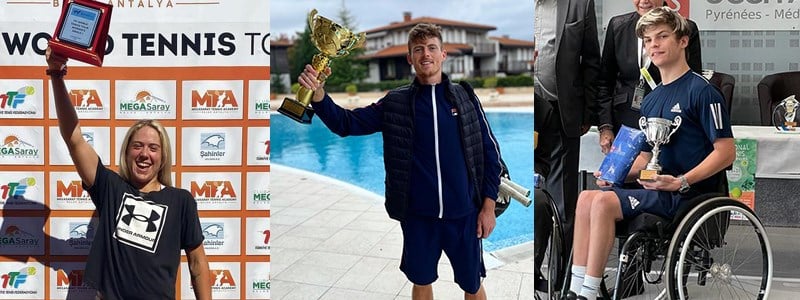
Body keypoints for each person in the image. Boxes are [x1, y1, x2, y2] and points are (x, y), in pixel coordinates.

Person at [297, 23, 502, 300]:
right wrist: (319, 96)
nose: (425, 54)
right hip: (418, 216)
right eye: (418, 49)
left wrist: (488, 206)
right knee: (421, 280)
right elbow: (347, 123)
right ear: (410, 58)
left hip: (464, 214)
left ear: (443, 54)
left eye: (431, 48)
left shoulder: (465, 98)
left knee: (472, 284)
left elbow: (491, 154)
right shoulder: (395, 103)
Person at [566, 7, 735, 300]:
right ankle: (574, 288)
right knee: (586, 197)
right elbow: (645, 159)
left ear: (683, 41)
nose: (653, 45)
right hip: (658, 189)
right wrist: (613, 173)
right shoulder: (652, 98)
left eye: (662, 37)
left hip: (687, 194)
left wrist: (681, 181)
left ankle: (589, 293)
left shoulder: (703, 92)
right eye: (648, 40)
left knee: (604, 204)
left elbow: (726, 152)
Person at [46, 47, 211, 300]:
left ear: (162, 156)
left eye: (153, 148)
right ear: (127, 152)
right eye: (138, 146)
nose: (145, 154)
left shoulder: (181, 200)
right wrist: (56, 75)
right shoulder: (110, 188)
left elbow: (198, 264)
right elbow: (74, 139)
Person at [534, 0, 602, 251]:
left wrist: (588, 112)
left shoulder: (579, 3)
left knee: (562, 197)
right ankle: (535, 259)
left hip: (561, 108)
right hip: (525, 108)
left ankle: (561, 269)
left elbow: (591, 60)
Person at [596, 0, 702, 154]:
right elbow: (605, 82)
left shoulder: (684, 28)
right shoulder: (618, 26)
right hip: (626, 122)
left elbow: (691, 80)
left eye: (662, 36)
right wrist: (605, 127)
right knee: (625, 175)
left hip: (670, 121)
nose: (644, 1)